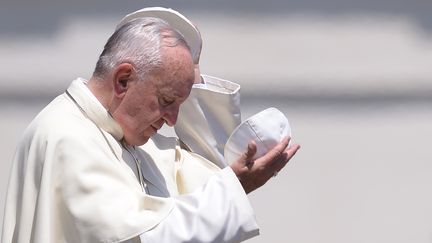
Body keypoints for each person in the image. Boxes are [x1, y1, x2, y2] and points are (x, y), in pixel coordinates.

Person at [1, 7, 300, 243]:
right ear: (123, 79)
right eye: (167, 100)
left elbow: (213, 171)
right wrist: (235, 187)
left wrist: (189, 72)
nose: (172, 120)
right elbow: (147, 237)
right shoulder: (69, 138)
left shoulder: (133, 142)